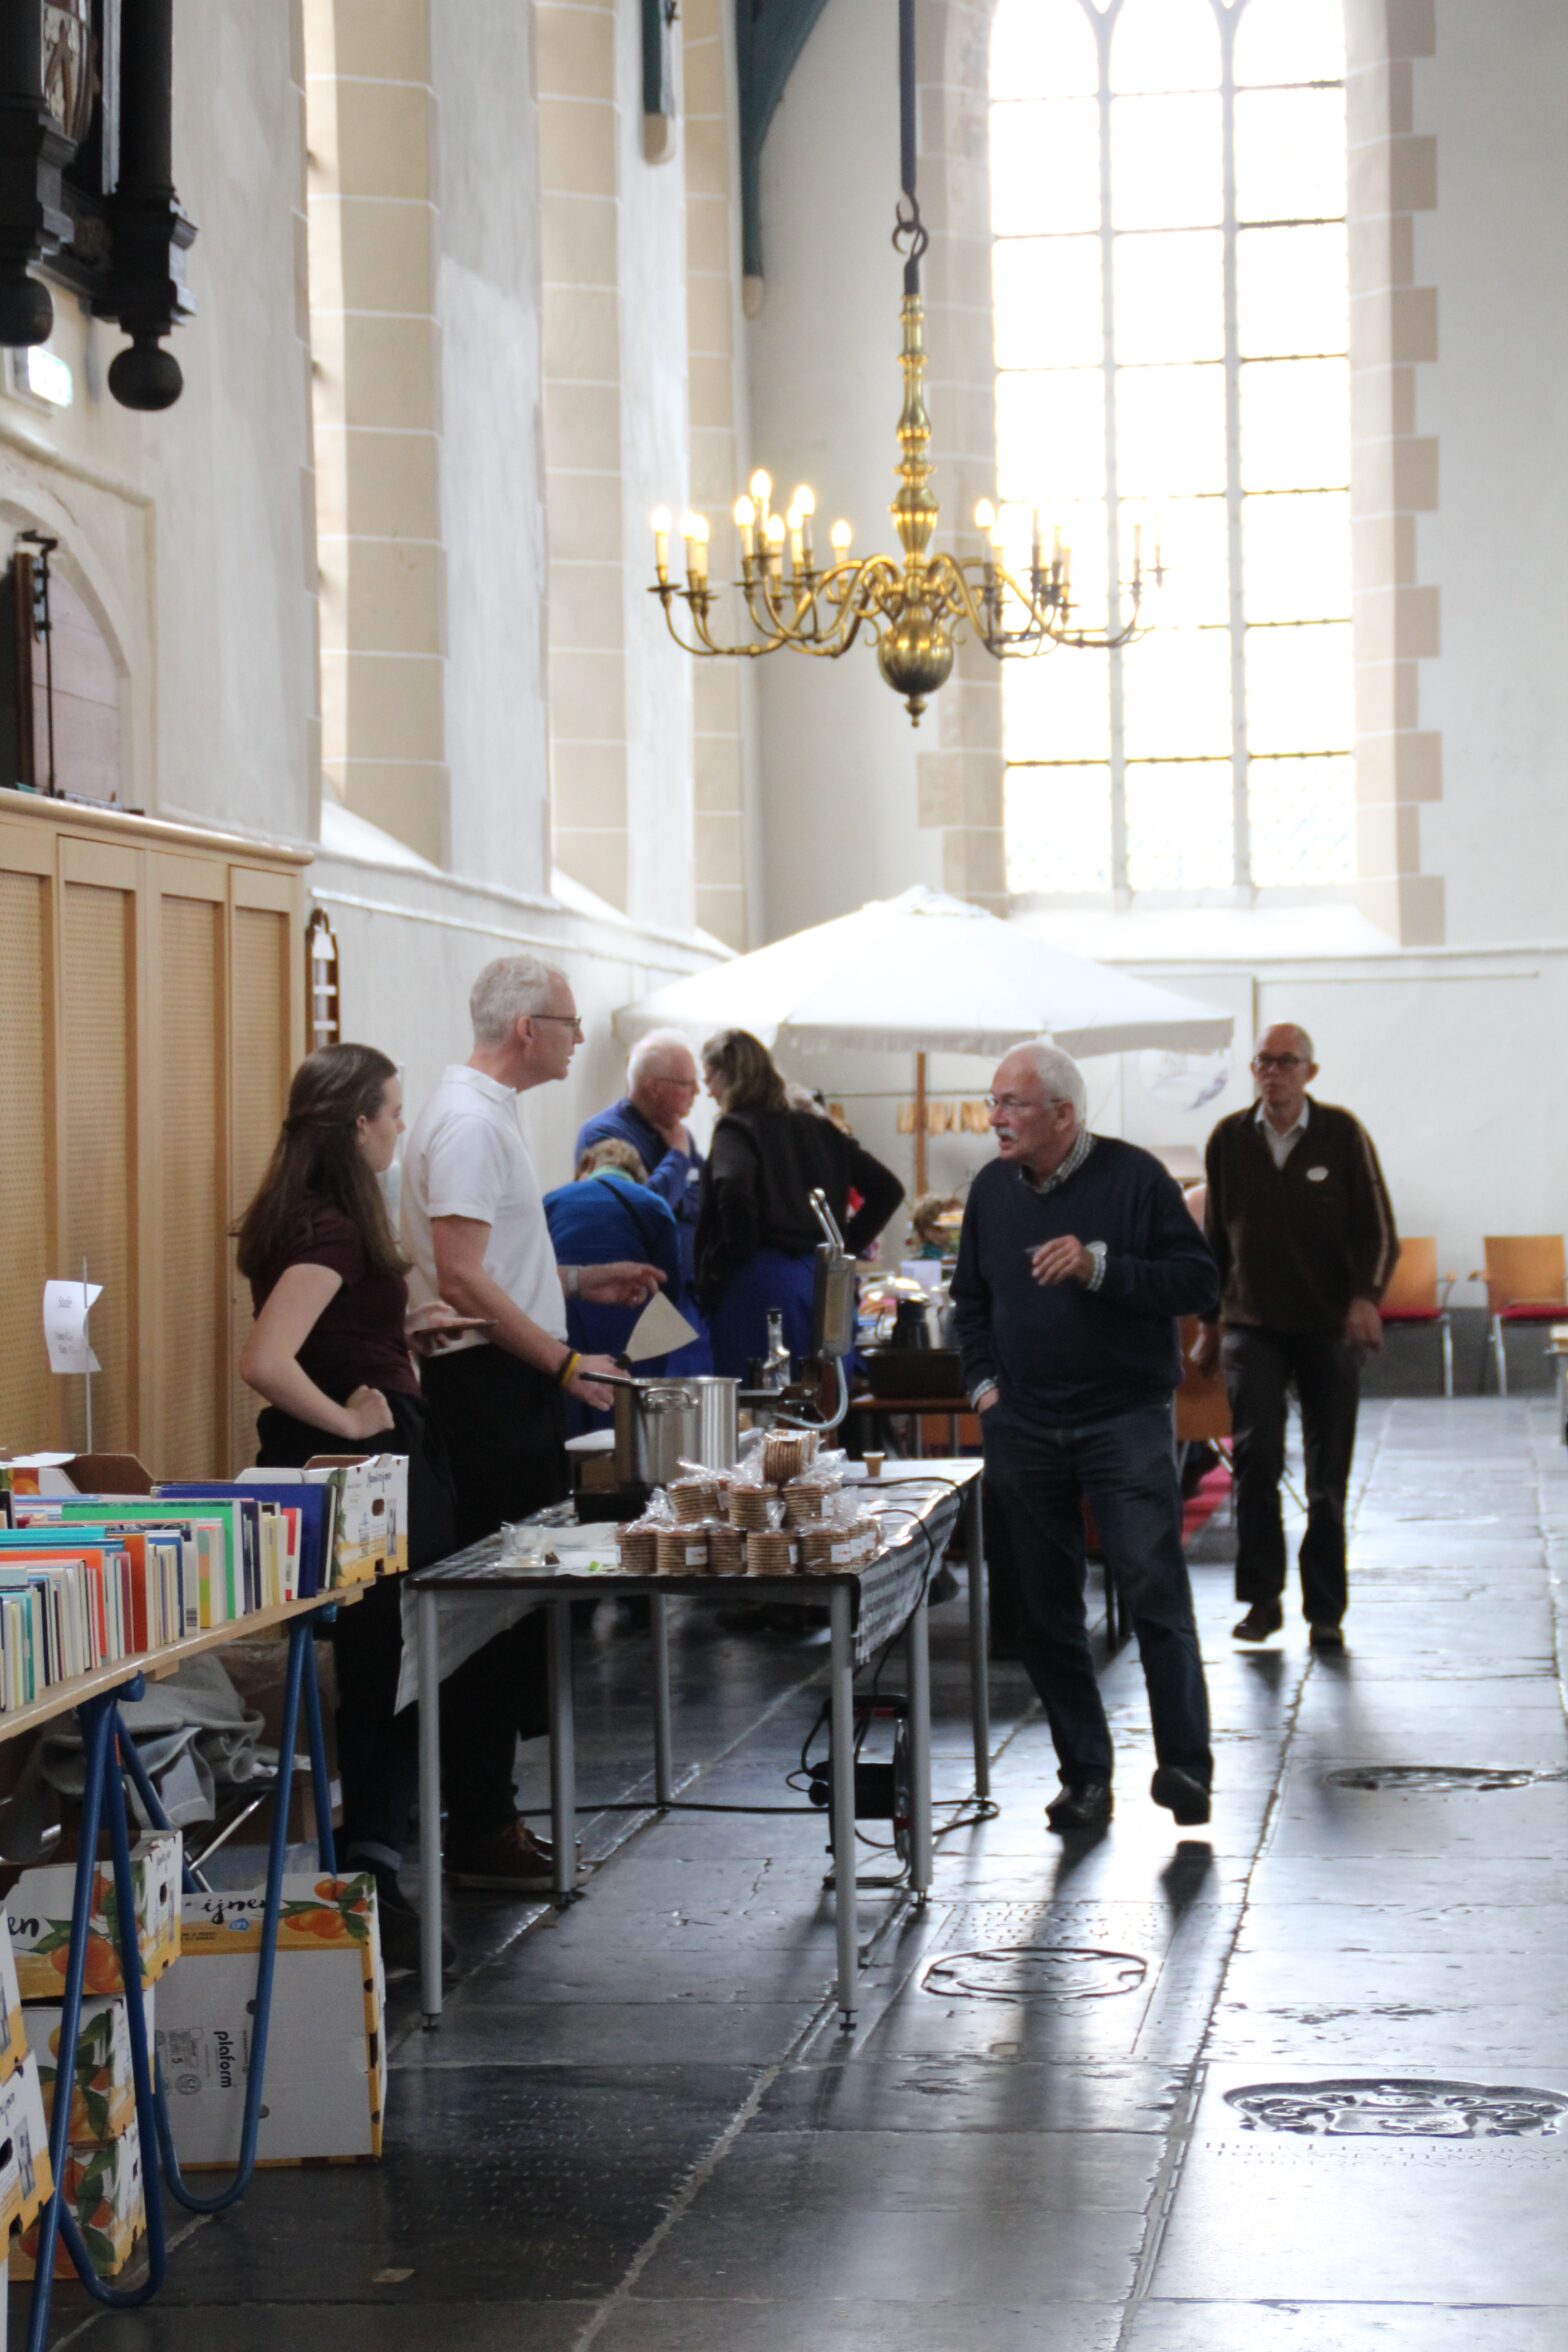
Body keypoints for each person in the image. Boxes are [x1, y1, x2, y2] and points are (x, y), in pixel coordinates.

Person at [400, 954, 665, 1888]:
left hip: (501, 1387)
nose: (578, 1038)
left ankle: (488, 1814)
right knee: (491, 1615)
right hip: (485, 1396)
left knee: (513, 1614)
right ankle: (479, 1823)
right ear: (526, 1029)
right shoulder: (470, 1121)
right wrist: (560, 1361)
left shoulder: (483, 1113)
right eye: (568, 1021)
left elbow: (490, 1271)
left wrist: (582, 1283)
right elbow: (461, 1276)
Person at [236, 1043, 464, 1971]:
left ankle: (371, 1861)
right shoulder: (331, 1228)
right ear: (359, 1124)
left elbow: (321, 1334)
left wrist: (396, 1333)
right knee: (394, 1667)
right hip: (364, 1471)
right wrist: (355, 1415)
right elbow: (265, 1358)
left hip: (355, 1461)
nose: (403, 1126)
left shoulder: (311, 1217)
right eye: (393, 1112)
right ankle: (370, 1873)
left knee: (393, 1665)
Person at [952, 1040, 1218, 1833]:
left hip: (1123, 1417)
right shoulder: (993, 1192)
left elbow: (1198, 1283)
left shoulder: (1135, 1179)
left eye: (1012, 1104)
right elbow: (971, 1301)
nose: (995, 1117)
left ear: (1063, 1114)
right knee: (1043, 1607)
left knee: (1152, 1589)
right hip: (1023, 1423)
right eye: (993, 1102)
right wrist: (985, 1389)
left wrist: (1102, 1267)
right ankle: (1085, 1776)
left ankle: (1184, 1768)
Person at [1193, 1022, 1397, 1652]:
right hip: (1252, 1327)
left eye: (1286, 1062)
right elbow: (1214, 1246)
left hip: (1327, 1326)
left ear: (1311, 1071)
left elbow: (1379, 1228)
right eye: (1263, 1062)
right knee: (1255, 1464)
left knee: (1325, 1477)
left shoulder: (1341, 1133)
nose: (1273, 1073)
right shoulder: (1229, 1138)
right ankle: (1261, 1602)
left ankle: (1326, 1611)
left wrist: (1365, 1298)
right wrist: (1208, 1326)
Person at [694, 1027, 904, 1378]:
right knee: (823, 1402)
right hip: (823, 1282)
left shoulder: (736, 1129)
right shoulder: (819, 1130)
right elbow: (888, 1189)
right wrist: (844, 1244)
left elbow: (732, 1184)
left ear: (728, 1077)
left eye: (709, 1077)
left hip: (761, 1288)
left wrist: (733, 1254)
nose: (707, 1089)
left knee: (764, 1412)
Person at [576, 1030, 711, 1374]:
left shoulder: (679, 1134)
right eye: (687, 1084)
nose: (697, 1093)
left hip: (685, 1298)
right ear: (654, 1086)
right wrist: (678, 1160)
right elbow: (638, 1211)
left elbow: (697, 1203)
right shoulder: (605, 1134)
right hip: (634, 1302)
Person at [543, 1138, 689, 1429]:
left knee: (568, 1417)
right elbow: (669, 1286)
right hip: (629, 1320)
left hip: (563, 1313)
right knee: (625, 1419)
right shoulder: (652, 1204)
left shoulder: (553, 1200)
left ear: (588, 1166)